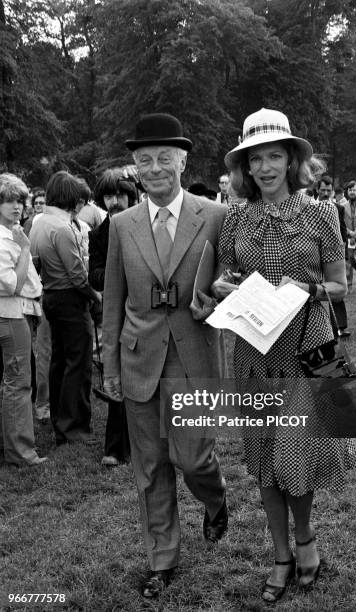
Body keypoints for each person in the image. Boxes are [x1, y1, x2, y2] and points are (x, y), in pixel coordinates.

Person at [212, 108, 356, 604]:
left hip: (310, 345)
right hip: (255, 349)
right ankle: (281, 553)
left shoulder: (321, 214)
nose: (267, 167)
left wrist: (309, 287)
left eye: (275, 155)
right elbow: (222, 276)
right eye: (257, 159)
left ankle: (306, 539)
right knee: (264, 457)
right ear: (246, 167)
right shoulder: (235, 218)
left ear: (292, 160)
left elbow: (340, 284)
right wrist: (220, 285)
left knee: (296, 456)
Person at [102, 113, 228, 598]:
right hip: (139, 359)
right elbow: (112, 303)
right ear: (135, 168)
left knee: (195, 460)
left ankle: (215, 501)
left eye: (163, 159)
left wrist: (215, 299)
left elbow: (232, 286)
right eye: (144, 161)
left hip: (193, 355)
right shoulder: (121, 225)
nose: (154, 169)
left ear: (182, 161)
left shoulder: (214, 216)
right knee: (150, 466)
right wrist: (110, 365)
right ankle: (162, 559)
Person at [30, 171, 101, 446]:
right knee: (78, 364)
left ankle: (61, 420)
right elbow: (77, 275)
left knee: (59, 361)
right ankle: (75, 428)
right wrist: (96, 297)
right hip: (69, 298)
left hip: (50, 295)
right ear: (70, 197)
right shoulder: (61, 227)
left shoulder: (39, 222)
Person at [88, 168, 137, 466]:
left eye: (120, 194)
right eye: (108, 195)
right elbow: (93, 275)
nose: (114, 201)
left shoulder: (148, 225)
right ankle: (116, 447)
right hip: (117, 312)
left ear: (131, 196)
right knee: (118, 373)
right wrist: (118, 275)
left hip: (152, 312)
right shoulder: (99, 233)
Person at [0, 173, 47, 466]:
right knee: (18, 383)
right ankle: (21, 451)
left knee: (12, 380)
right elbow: (14, 284)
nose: (16, 206)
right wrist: (26, 249)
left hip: (17, 312)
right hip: (10, 314)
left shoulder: (14, 231)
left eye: (19, 200)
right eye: (7, 201)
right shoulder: (7, 238)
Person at [317, 175, 350, 337]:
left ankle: (340, 326)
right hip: (314, 254)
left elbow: (342, 232)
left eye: (328, 191)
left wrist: (342, 253)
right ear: (317, 190)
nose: (325, 193)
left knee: (335, 287)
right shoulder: (310, 207)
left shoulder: (338, 208)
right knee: (316, 288)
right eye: (322, 190)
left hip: (332, 255)